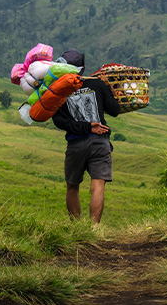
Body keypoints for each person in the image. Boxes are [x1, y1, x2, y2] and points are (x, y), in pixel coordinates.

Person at [51, 49, 121, 223]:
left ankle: (76, 229)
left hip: (76, 144)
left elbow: (59, 121)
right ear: (83, 67)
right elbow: (114, 110)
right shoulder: (97, 84)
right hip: (100, 141)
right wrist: (107, 88)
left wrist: (84, 127)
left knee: (72, 186)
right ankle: (94, 229)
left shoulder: (58, 90)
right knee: (98, 186)